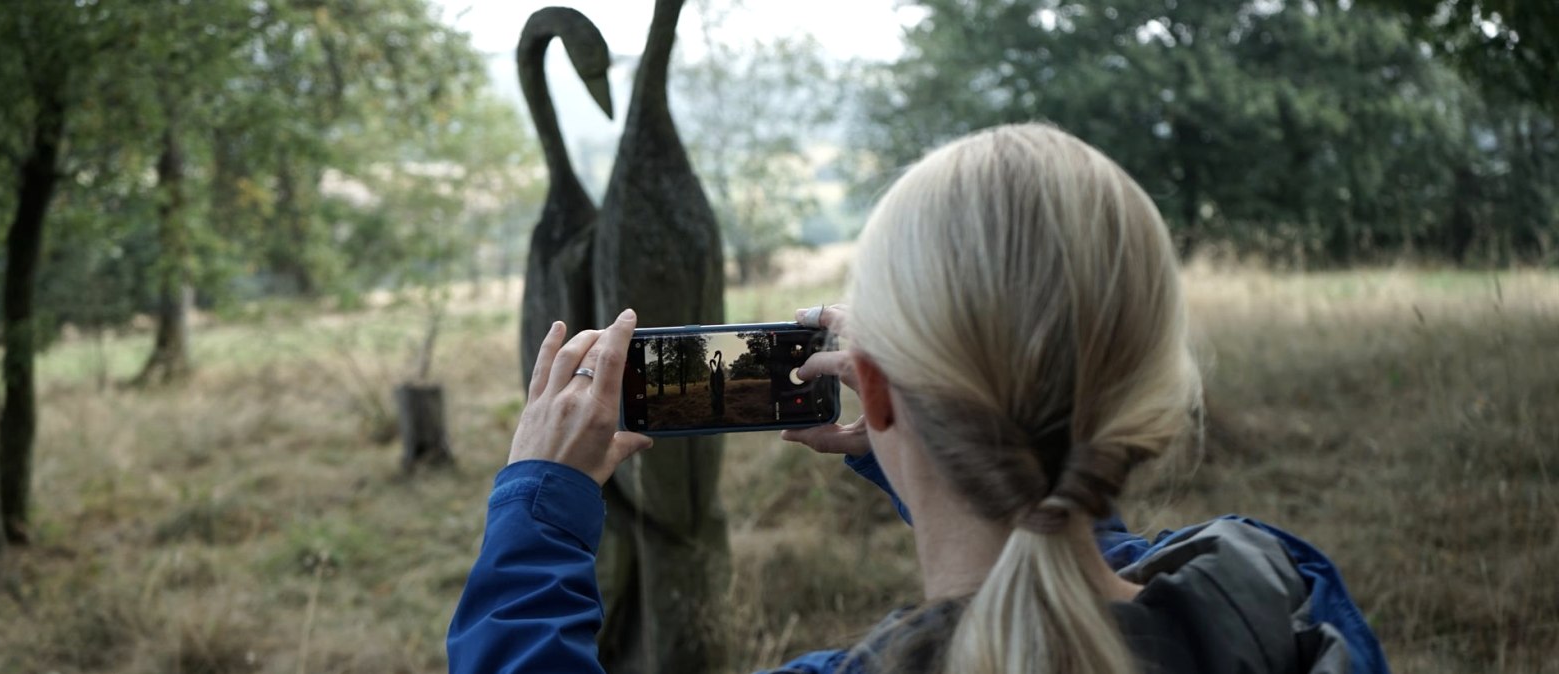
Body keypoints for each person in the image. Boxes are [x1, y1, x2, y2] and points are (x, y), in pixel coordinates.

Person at [446, 124, 1389, 673]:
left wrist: (539, 506)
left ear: (881, 395)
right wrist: (935, 448)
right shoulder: (1284, 603)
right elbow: (1091, 551)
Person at [710, 350, 727, 419]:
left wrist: (720, 389)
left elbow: (722, 382)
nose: (715, 355)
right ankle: (718, 411)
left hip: (719, 389)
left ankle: (720, 412)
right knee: (717, 400)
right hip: (717, 389)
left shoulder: (719, 372)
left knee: (719, 399)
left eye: (716, 354)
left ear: (719, 354)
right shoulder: (717, 371)